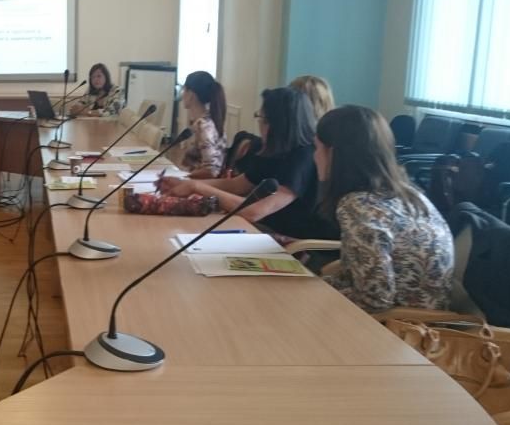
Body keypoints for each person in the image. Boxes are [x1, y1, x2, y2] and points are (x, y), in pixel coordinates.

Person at [315, 106, 454, 312]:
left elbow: (375, 300)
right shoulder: (410, 193)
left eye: (317, 148)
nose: (315, 156)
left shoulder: (358, 205)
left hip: (400, 323)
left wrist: (315, 296)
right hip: (420, 314)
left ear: (334, 154)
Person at [159, 87, 330, 239]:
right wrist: (185, 183)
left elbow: (254, 211)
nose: (259, 124)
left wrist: (197, 187)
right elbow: (236, 185)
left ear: (276, 124)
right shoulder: (273, 150)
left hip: (289, 240)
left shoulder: (303, 157)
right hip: (259, 229)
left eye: (261, 117)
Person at [179, 71, 227, 178]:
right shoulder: (203, 121)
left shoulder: (204, 126)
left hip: (203, 185)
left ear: (191, 94)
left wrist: (182, 178)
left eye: (184, 89)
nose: (182, 95)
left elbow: (211, 171)